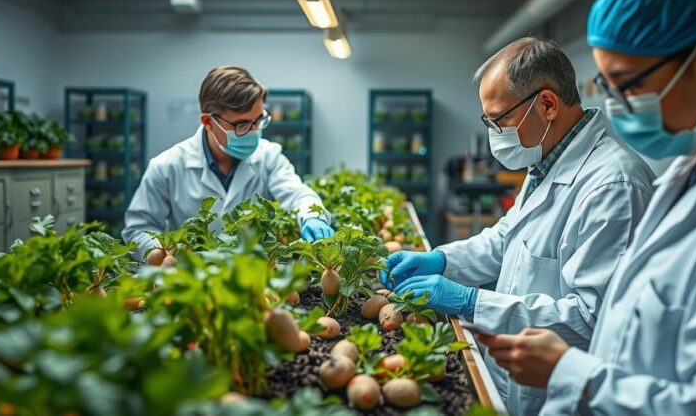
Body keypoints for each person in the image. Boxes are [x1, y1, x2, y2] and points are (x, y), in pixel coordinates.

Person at [478, 0, 696, 415]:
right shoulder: (688, 175)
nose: (615, 105)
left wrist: (567, 372)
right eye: (608, 86)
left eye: (629, 85)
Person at [380, 37, 656, 415]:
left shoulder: (614, 186)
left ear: (546, 104)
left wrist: (471, 302)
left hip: (561, 396)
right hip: (513, 379)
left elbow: (592, 320)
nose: (495, 132)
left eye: (500, 119)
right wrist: (442, 260)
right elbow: (506, 239)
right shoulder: (546, 160)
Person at [123, 66, 334, 260]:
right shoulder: (167, 166)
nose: (254, 131)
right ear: (208, 122)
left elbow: (298, 194)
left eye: (258, 121)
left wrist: (312, 217)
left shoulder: (268, 156)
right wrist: (159, 255)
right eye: (242, 125)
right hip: (191, 280)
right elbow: (138, 227)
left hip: (252, 280)